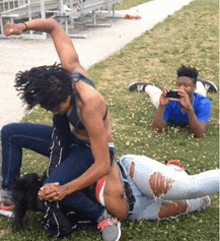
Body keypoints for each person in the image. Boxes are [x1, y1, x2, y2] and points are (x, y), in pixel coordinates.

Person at [2, 19, 120, 241]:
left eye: (57, 108)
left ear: (68, 94)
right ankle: (7, 195)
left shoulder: (90, 104)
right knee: (10, 133)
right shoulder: (68, 68)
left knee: (52, 188)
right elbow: (54, 26)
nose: (55, 111)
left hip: (91, 150)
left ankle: (103, 216)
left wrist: (66, 189)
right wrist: (23, 27)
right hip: (69, 138)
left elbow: (103, 164)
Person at [39, 154, 219, 223]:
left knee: (189, 188)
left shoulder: (68, 168)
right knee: (202, 202)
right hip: (138, 211)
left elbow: (104, 158)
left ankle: (174, 172)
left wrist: (66, 188)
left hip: (132, 176)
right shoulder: (62, 209)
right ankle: (174, 169)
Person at [128, 66, 218, 138]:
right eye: (179, 85)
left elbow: (199, 134)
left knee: (201, 92)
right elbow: (156, 129)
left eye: (186, 85)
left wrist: (189, 109)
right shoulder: (170, 101)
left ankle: (201, 83)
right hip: (170, 101)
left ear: (193, 87)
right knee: (155, 95)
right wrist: (162, 106)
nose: (181, 89)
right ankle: (146, 86)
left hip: (194, 96)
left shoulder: (204, 103)